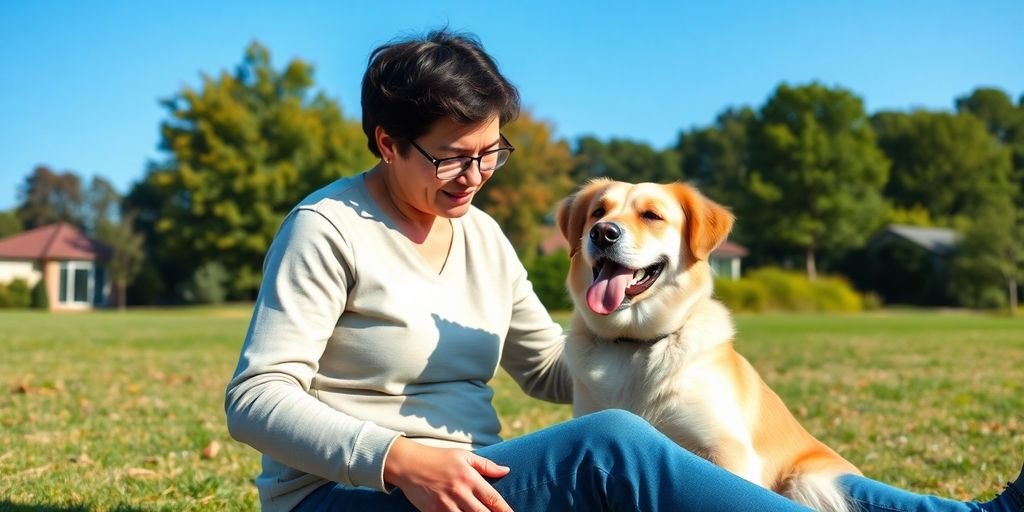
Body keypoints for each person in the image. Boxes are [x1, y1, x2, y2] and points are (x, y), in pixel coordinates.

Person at [224, 28, 1024, 512]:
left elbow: (549, 367)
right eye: (449, 157)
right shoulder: (327, 230)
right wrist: (395, 458)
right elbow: (254, 400)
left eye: (491, 153)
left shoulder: (481, 238)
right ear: (385, 141)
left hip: (478, 489)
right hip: (353, 497)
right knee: (609, 444)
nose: (473, 176)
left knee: (674, 442)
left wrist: (682, 351)